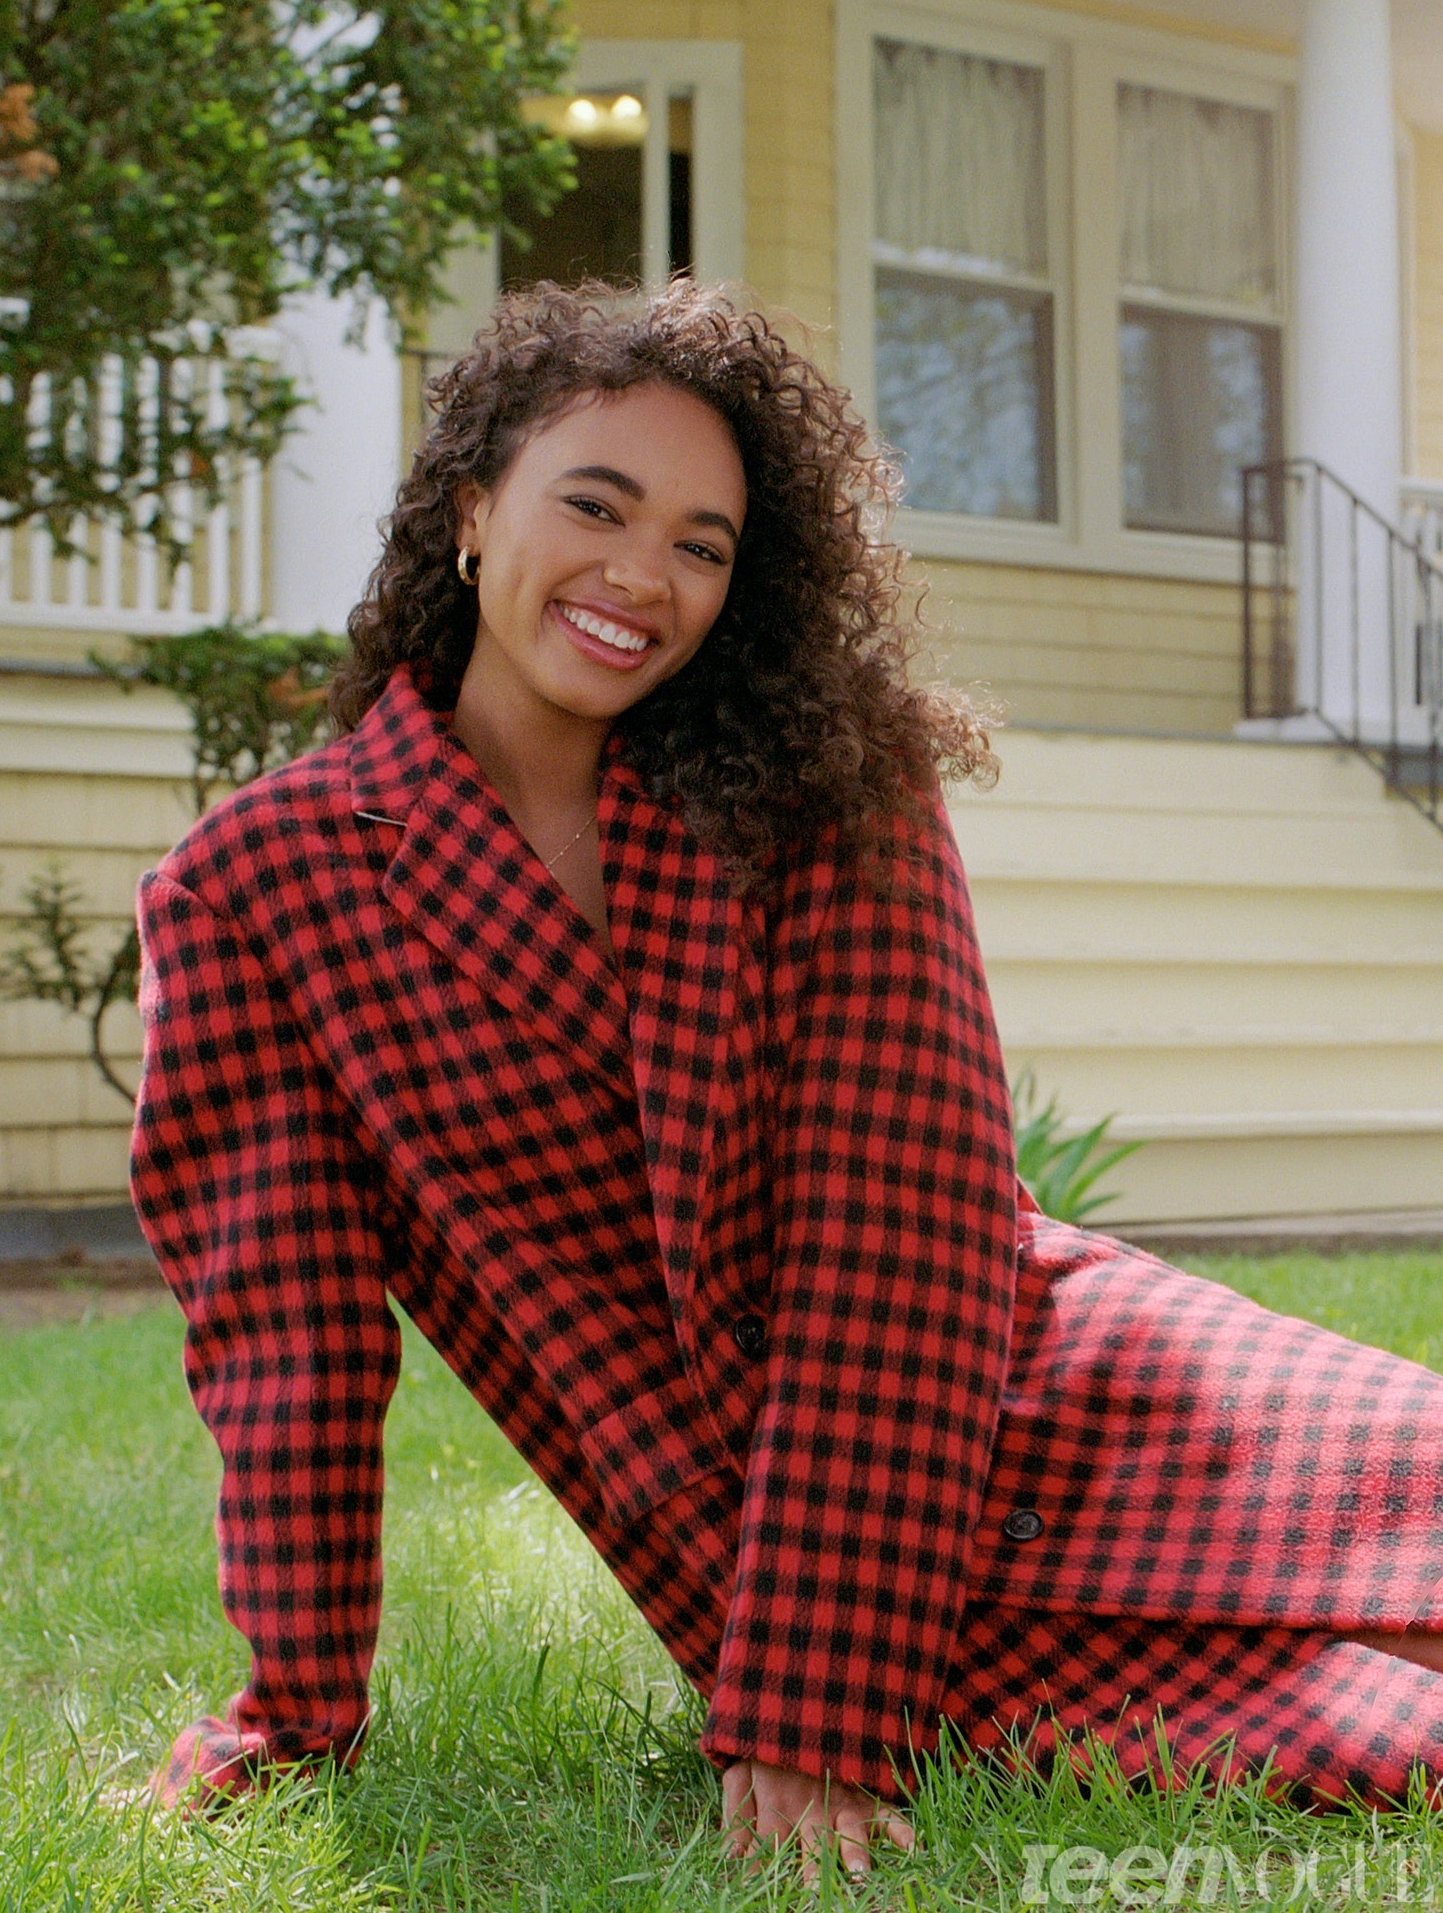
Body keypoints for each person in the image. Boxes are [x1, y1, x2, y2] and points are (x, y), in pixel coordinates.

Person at [131, 280, 1443, 1878]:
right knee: (1396, 1743)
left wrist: (816, 1705)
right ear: (473, 514)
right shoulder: (257, 891)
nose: (643, 577)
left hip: (1054, 1394)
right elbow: (291, 1349)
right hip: (793, 1572)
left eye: (702, 543)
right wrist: (292, 1712)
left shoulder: (827, 784)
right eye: (596, 507)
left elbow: (909, 1223)